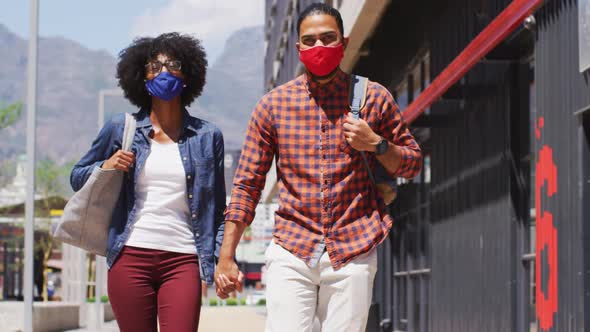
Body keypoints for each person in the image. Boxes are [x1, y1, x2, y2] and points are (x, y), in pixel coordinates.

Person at [215, 3, 423, 332]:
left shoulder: (374, 98)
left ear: (344, 41)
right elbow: (246, 186)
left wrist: (377, 144)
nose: (319, 47)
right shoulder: (273, 106)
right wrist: (226, 256)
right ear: (298, 48)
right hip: (292, 248)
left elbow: (412, 163)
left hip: (353, 247)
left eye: (328, 38)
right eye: (310, 40)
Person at [70, 32, 226, 332]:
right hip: (130, 255)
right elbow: (77, 176)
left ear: (188, 74)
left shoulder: (208, 136)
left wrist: (219, 260)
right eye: (154, 66)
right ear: (142, 78)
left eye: (173, 65)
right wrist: (106, 165)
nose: (164, 72)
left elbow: (218, 209)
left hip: (183, 260)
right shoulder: (121, 128)